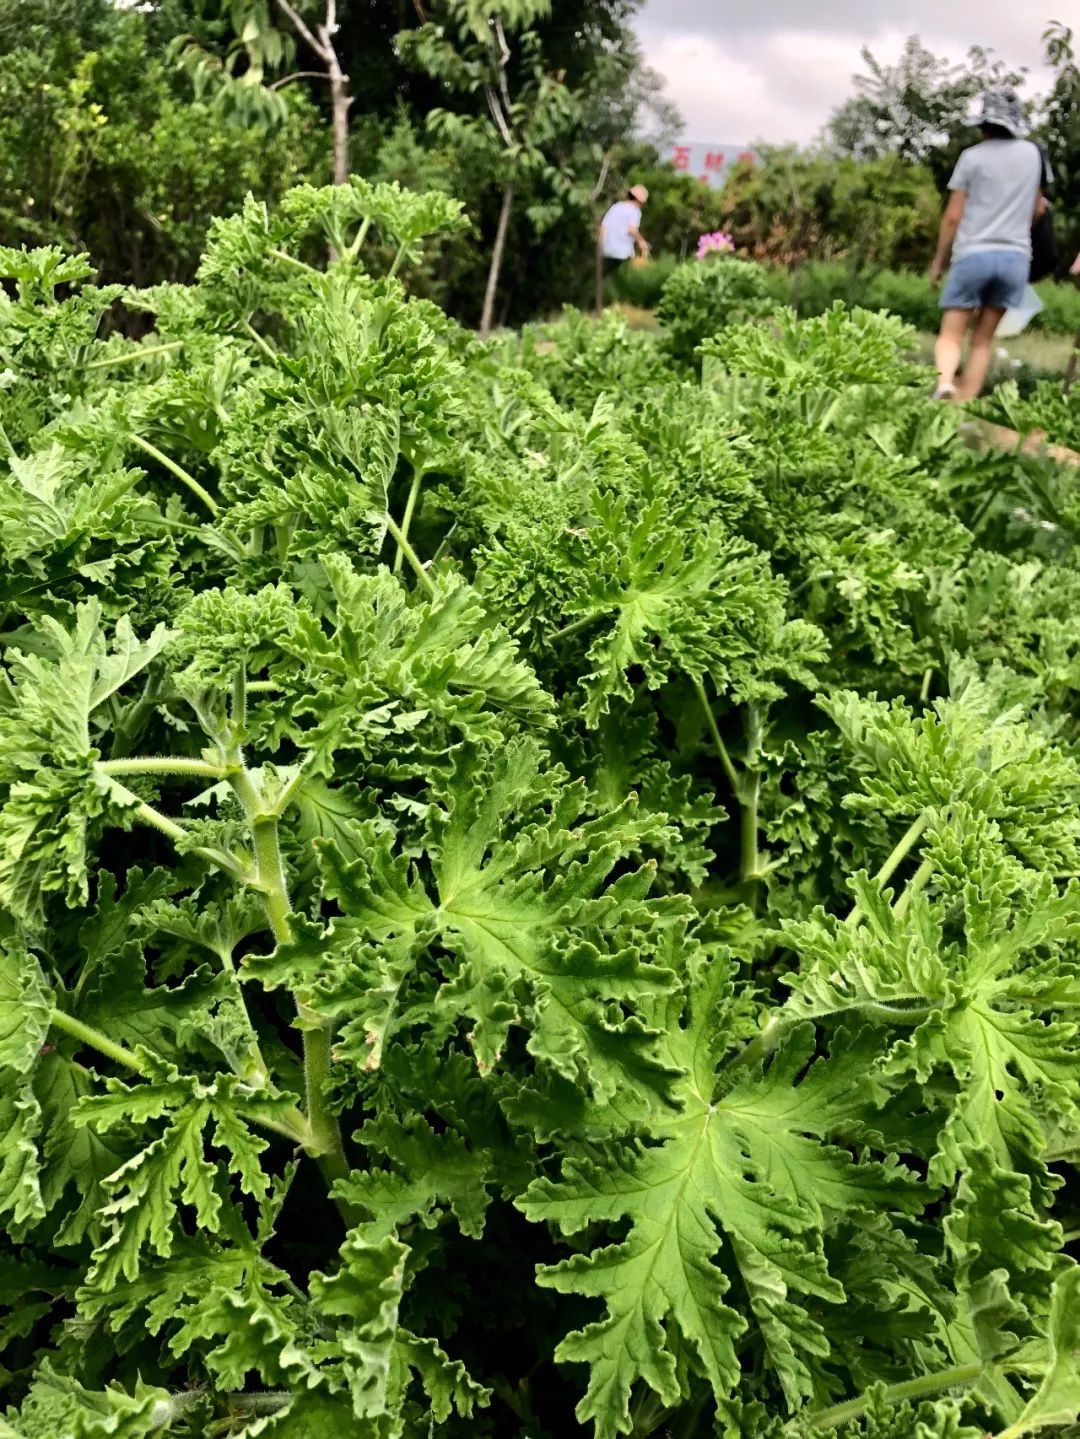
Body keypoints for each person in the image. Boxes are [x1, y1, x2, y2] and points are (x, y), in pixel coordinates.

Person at [929, 89, 1048, 402]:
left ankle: (944, 385)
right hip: (1014, 258)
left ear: (984, 124)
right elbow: (1037, 209)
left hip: (973, 254)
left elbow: (953, 215)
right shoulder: (1033, 154)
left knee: (951, 334)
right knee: (982, 340)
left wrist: (938, 261)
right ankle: (966, 403)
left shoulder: (972, 157)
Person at [599, 185, 650, 274]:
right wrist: (641, 241)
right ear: (639, 201)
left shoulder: (616, 207)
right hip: (622, 253)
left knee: (607, 279)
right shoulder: (635, 211)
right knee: (622, 280)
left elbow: (603, 227)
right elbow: (632, 230)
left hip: (607, 250)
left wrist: (600, 247)